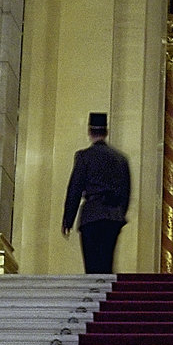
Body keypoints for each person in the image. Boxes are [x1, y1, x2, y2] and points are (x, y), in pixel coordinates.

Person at [62, 112, 131, 273]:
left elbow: (75, 188)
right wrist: (119, 212)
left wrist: (68, 219)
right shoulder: (121, 159)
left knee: (92, 266)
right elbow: (126, 192)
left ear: (89, 132)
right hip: (113, 216)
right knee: (107, 264)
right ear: (106, 133)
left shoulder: (84, 156)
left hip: (91, 215)